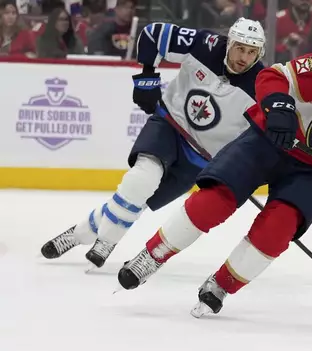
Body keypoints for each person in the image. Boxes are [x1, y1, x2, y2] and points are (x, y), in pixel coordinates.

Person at [116, 31, 312, 318]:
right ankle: (150, 257)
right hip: (268, 141)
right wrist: (279, 107)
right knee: (213, 201)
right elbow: (275, 77)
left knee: (278, 229)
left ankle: (221, 286)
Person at [40, 17, 266, 269]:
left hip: (200, 159)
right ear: (229, 43)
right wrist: (147, 78)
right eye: (240, 48)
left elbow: (259, 137)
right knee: (141, 179)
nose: (244, 58)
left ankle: (78, 233)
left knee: (138, 199)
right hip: (169, 125)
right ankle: (106, 241)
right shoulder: (205, 44)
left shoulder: (262, 85)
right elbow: (152, 34)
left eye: (251, 52)